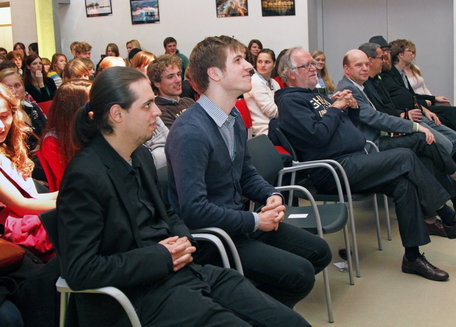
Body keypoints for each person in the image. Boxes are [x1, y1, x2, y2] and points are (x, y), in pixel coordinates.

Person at [56, 66, 309, 327]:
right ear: (117, 114)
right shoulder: (85, 176)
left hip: (179, 273)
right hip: (135, 297)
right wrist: (161, 256)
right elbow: (81, 270)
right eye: (147, 106)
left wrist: (184, 241)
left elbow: (167, 212)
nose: (156, 112)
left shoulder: (139, 155)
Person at [274, 47, 456, 281]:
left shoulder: (315, 95)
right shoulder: (290, 102)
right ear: (290, 74)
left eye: (314, 63)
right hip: (332, 171)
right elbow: (318, 136)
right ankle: (451, 217)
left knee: (403, 184)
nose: (315, 68)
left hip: (354, 160)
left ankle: (412, 257)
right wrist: (335, 108)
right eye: (307, 65)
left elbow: (343, 128)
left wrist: (349, 109)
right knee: (404, 156)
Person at [166, 36, 331, 307]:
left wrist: (272, 195)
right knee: (299, 274)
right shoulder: (191, 132)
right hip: (214, 238)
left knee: (320, 251)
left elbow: (245, 174)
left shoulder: (231, 118)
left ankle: (256, 307)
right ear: (214, 74)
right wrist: (255, 221)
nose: (250, 67)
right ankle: (254, 310)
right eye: (238, 60)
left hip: (239, 223)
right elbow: (193, 210)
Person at [337, 45, 456, 213]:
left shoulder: (361, 85)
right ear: (347, 69)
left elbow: (389, 108)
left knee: (427, 149)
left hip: (381, 137)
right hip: (370, 147)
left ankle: (445, 205)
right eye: (359, 65)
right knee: (423, 141)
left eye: (366, 64)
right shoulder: (347, 90)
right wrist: (414, 126)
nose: (365, 68)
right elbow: (375, 117)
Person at [0, 83, 57, 254]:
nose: (1, 127)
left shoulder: (7, 148)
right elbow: (21, 205)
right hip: (18, 230)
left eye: (4, 116)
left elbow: (32, 196)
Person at [38, 80, 91, 191]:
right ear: (75, 108)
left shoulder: (93, 126)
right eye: (90, 103)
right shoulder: (52, 140)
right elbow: (71, 181)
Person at [0, 68, 46, 152]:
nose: (14, 91)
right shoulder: (3, 118)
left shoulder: (32, 108)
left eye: (17, 85)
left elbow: (47, 129)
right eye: (8, 87)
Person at [147, 54, 194, 129]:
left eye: (178, 74)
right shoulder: (158, 111)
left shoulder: (189, 101)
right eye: (170, 77)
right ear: (157, 83)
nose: (178, 79)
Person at [244, 48, 280, 136]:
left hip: (276, 127)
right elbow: (271, 112)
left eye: (267, 62)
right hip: (263, 132)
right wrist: (290, 111)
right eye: (259, 62)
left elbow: (280, 105)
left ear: (274, 64)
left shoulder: (275, 83)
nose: (263, 65)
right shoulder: (254, 81)